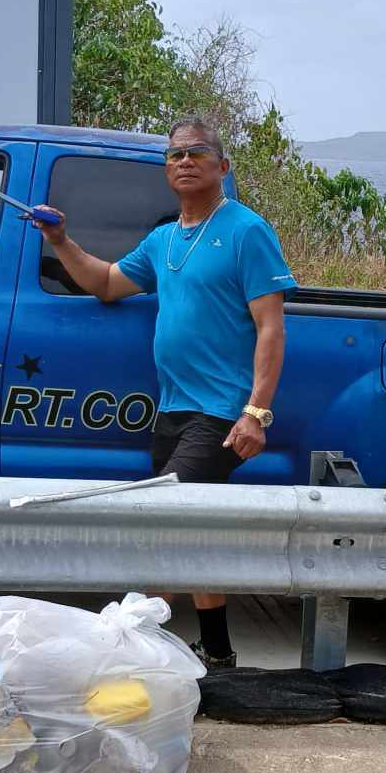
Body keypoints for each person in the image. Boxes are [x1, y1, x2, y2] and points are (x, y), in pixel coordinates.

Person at [33, 114, 296, 668]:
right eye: (175, 154)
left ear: (222, 166)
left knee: (160, 523)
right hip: (173, 407)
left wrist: (256, 413)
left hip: (221, 412)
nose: (183, 161)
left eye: (197, 153)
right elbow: (105, 284)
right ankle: (219, 653)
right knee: (194, 533)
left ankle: (128, 650)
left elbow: (271, 327)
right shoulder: (162, 241)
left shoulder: (246, 230)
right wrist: (60, 240)